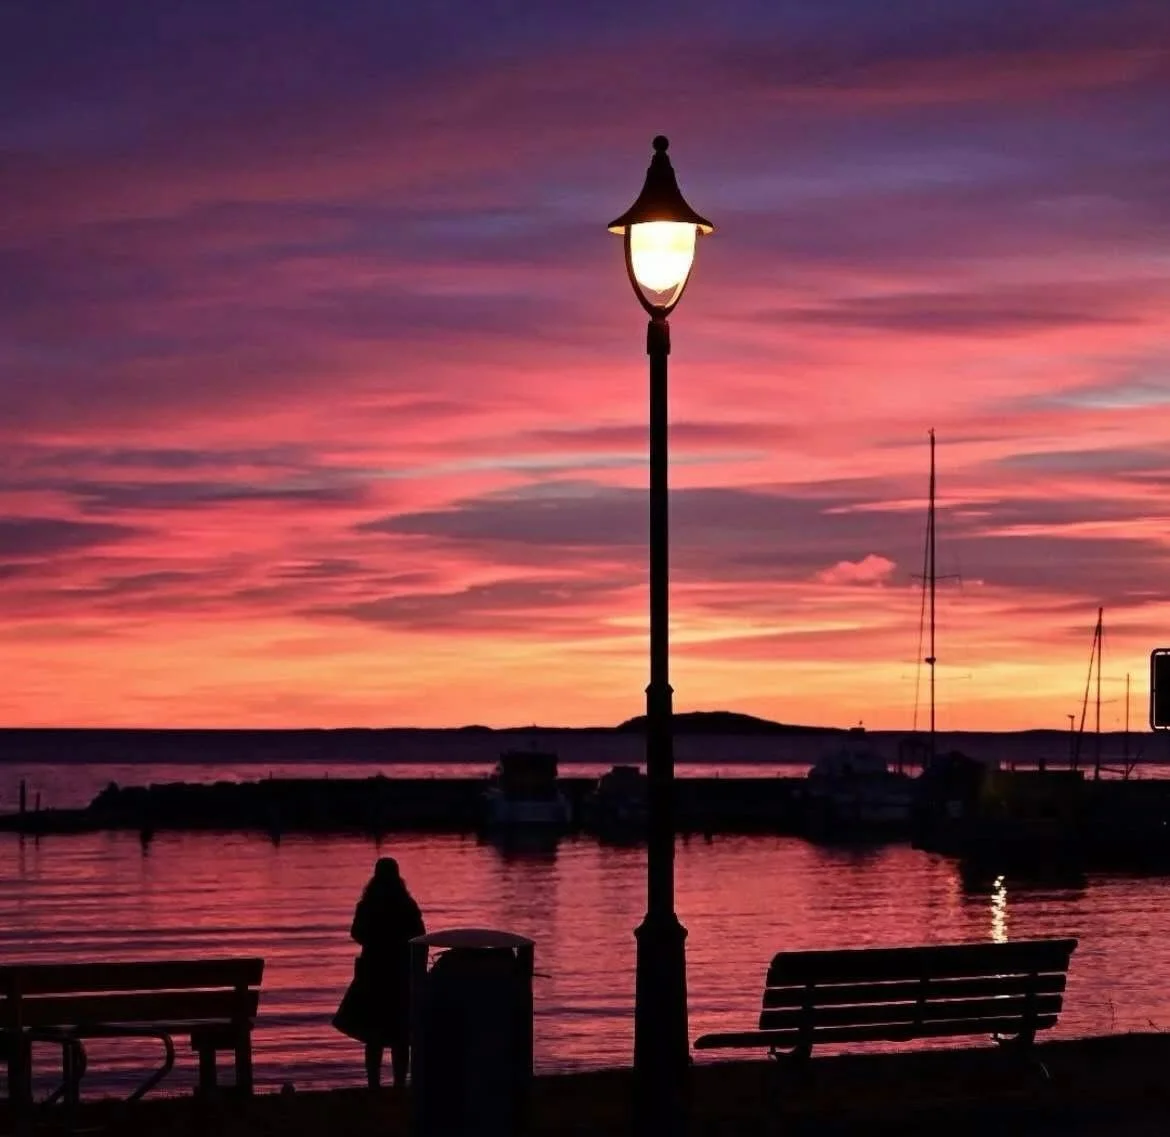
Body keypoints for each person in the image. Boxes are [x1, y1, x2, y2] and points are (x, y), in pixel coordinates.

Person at [333, 857, 426, 1088]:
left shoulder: (367, 905)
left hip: (373, 974)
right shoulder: (407, 905)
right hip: (400, 975)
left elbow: (356, 933)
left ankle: (373, 1083)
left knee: (373, 1034)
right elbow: (421, 938)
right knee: (400, 1034)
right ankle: (398, 1084)